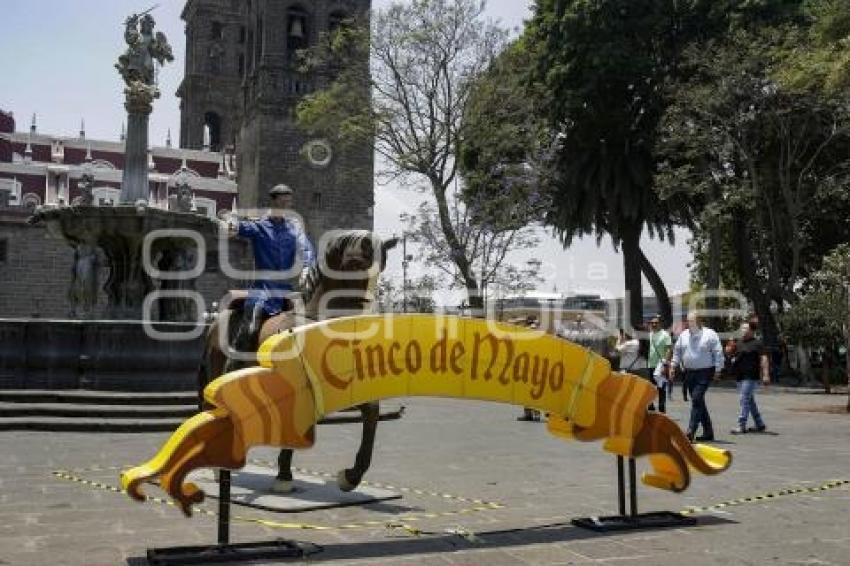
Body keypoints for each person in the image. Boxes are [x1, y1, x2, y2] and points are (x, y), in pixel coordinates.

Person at [225, 184, 315, 354]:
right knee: (251, 327)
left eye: (288, 203)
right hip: (262, 290)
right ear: (273, 203)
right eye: (282, 203)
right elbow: (239, 227)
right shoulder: (260, 227)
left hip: (286, 290)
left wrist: (307, 267)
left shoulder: (294, 229)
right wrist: (230, 224)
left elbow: (306, 248)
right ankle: (234, 361)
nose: (286, 207)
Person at [671, 313, 723, 442]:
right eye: (688, 321)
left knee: (696, 399)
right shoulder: (684, 335)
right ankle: (708, 432)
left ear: (699, 321)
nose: (689, 324)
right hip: (689, 373)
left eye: (692, 321)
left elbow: (718, 352)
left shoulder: (710, 334)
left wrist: (718, 369)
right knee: (698, 402)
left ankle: (690, 431)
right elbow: (677, 351)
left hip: (705, 372)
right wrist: (673, 366)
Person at [727, 321, 770, 434]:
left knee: (744, 399)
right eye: (741, 328)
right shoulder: (738, 343)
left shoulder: (757, 343)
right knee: (749, 401)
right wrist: (729, 352)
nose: (743, 330)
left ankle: (741, 425)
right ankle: (759, 424)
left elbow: (764, 359)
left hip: (751, 376)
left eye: (745, 328)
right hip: (739, 375)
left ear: (751, 330)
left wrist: (765, 374)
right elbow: (732, 356)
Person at [647, 315, 673, 413]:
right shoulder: (649, 334)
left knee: (661, 387)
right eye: (652, 323)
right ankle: (651, 406)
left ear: (660, 324)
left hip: (660, 365)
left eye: (656, 323)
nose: (654, 324)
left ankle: (662, 409)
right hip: (650, 365)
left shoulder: (665, 334)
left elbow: (670, 349)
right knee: (650, 387)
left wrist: (665, 364)